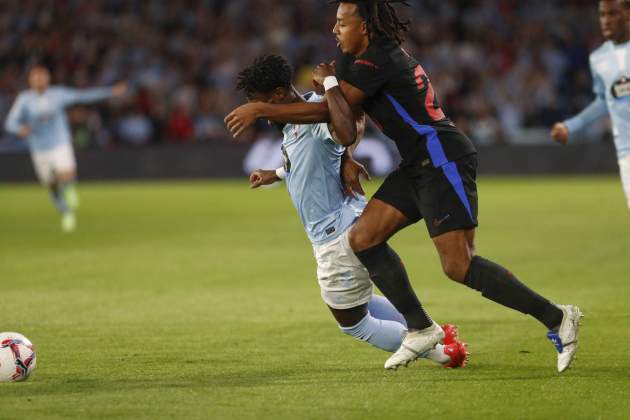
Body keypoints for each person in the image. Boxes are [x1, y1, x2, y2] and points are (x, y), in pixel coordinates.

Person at [225, 1, 581, 372]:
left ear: (364, 26)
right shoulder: (350, 61)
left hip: (443, 157)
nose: (334, 30)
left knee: (459, 265)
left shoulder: (379, 58)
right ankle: (421, 328)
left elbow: (333, 115)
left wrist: (263, 109)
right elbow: (345, 116)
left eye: (342, 23)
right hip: (415, 163)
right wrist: (338, 153)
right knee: (362, 238)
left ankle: (557, 317)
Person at [241, 54, 468, 368]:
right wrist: (278, 173)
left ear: (277, 96)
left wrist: (344, 144)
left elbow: (349, 126)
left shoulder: (318, 109)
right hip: (344, 223)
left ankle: (440, 350)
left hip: (336, 235)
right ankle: (433, 332)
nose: (259, 113)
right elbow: (311, 159)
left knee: (353, 323)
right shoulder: (297, 120)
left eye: (257, 102)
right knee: (361, 304)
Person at [4, 65, 127, 232]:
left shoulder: (58, 94)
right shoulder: (24, 99)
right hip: (39, 148)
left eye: (42, 77)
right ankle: (67, 213)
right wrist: (19, 129)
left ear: (48, 79)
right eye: (35, 77)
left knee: (66, 173)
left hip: (59, 142)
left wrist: (110, 91)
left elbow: (83, 96)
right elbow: (10, 122)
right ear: (30, 81)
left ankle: (69, 188)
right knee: (52, 185)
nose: (39, 80)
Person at [551, 0, 630, 209]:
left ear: (628, 15)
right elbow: (604, 101)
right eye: (602, 15)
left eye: (613, 14)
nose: (606, 21)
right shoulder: (599, 58)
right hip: (626, 153)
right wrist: (570, 126)